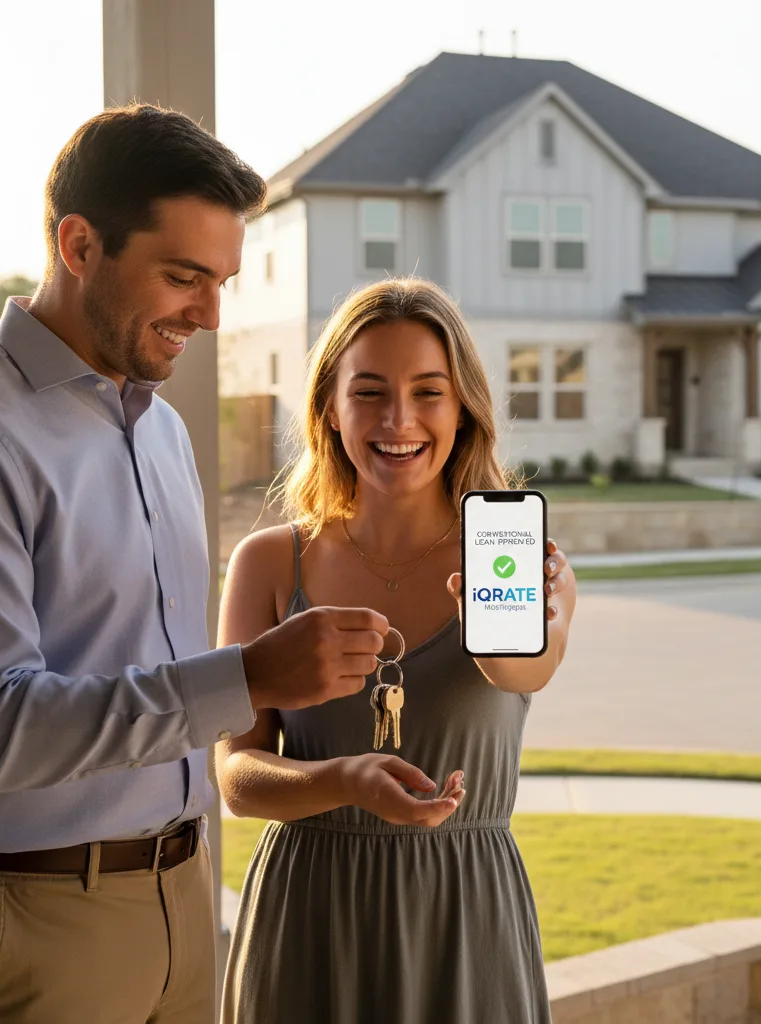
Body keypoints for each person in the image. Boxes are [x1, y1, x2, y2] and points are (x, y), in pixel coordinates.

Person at [0, 106, 437, 1024]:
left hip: (189, 894)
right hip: (42, 915)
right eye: (183, 277)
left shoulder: (160, 428)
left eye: (223, 281)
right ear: (79, 244)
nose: (209, 313)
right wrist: (248, 677)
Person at [217, 277, 577, 1023]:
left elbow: (521, 672)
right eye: (370, 392)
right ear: (329, 408)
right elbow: (236, 775)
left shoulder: (515, 560)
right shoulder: (267, 563)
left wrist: (516, 614)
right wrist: (344, 779)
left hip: (466, 917)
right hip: (307, 914)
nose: (399, 419)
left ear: (464, 407)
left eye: (428, 392)